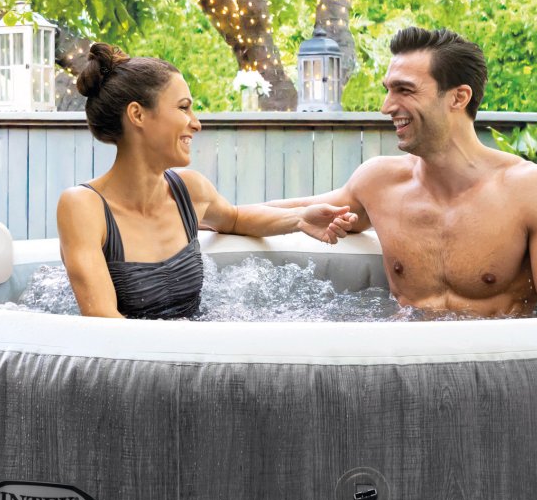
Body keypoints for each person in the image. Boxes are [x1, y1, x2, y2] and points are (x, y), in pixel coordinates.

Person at [270, 26, 537, 317]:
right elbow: (291, 212)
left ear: (458, 97)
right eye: (388, 90)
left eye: (404, 90)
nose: (386, 107)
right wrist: (222, 214)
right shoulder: (380, 183)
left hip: (491, 369)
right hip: (404, 365)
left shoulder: (533, 190)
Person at [56, 44, 355, 319]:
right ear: (137, 114)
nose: (196, 123)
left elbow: (235, 218)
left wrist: (300, 219)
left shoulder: (188, 189)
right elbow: (104, 323)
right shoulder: (83, 207)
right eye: (183, 107)